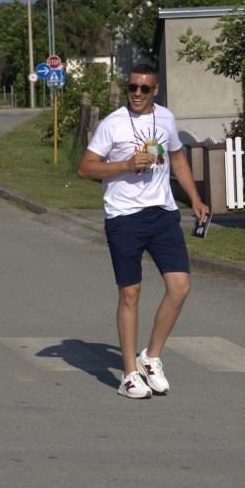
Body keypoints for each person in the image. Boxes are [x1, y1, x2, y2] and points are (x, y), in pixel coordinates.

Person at [76, 63, 209, 399]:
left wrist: (195, 199)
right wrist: (125, 164)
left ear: (155, 90)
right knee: (130, 293)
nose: (136, 94)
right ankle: (129, 374)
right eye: (132, 87)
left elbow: (177, 158)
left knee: (180, 287)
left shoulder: (165, 118)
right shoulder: (112, 124)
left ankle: (150, 356)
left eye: (144, 89)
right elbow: (85, 169)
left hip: (163, 213)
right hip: (124, 217)